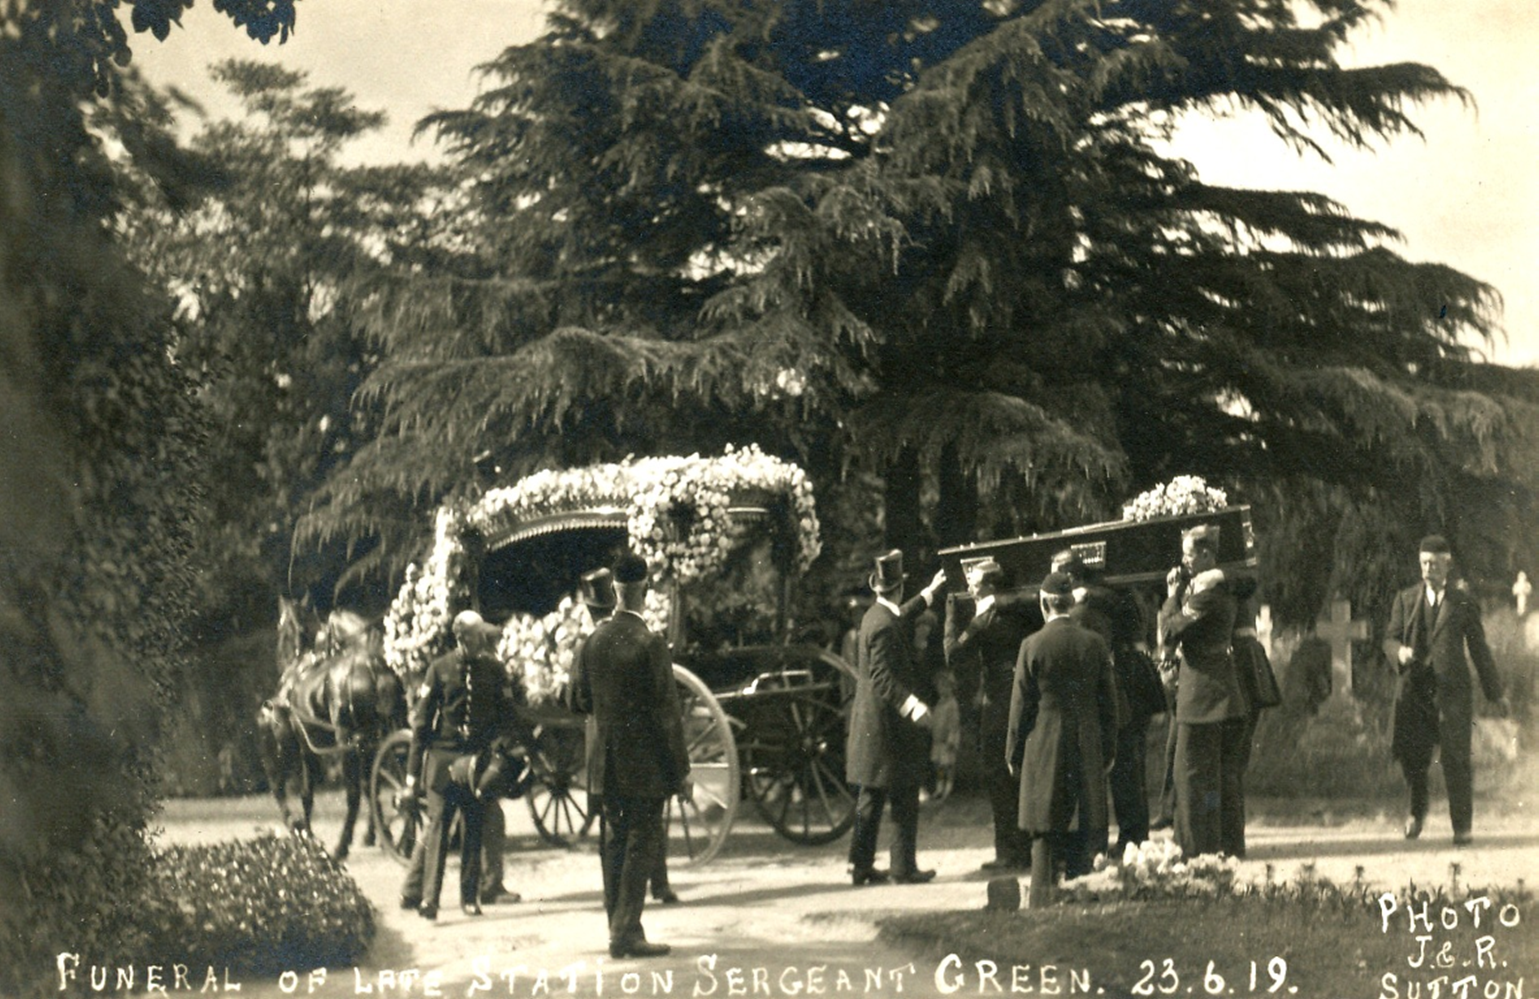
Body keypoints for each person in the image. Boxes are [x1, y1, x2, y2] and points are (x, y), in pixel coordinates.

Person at [568, 552, 690, 958]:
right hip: (644, 765)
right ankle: (626, 933)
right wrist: (682, 772)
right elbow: (666, 714)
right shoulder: (650, 643)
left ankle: (617, 928)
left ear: (616, 590)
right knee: (641, 842)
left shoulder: (593, 641)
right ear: (645, 590)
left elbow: (580, 700)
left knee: (615, 843)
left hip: (606, 763)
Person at [1383, 535, 1507, 845]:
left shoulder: (1461, 602)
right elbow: (1389, 639)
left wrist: (1496, 693)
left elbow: (1479, 650)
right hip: (1415, 691)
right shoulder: (1406, 599)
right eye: (1424, 563)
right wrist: (1398, 652)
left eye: (1435, 564)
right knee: (1413, 757)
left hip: (1452, 694)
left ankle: (1462, 827)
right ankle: (1416, 813)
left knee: (1456, 759)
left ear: (1447, 565)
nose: (1429, 569)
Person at [1005, 570, 1118, 906]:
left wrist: (1013, 753)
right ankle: (1082, 903)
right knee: (1085, 830)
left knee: (1045, 832)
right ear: (1071, 603)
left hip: (1044, 747)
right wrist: (1107, 751)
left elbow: (1020, 707)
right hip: (1086, 746)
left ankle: (1041, 901)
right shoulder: (1094, 643)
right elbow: (1108, 705)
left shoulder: (1032, 645)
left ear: (1044, 604)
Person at [403, 610, 525, 920]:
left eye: (482, 634)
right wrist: (411, 776)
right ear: (461, 638)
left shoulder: (494, 670)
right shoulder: (439, 669)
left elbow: (507, 715)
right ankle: (429, 899)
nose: (481, 639)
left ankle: (469, 898)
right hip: (443, 761)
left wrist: (505, 748)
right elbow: (421, 725)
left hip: (476, 763)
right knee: (439, 828)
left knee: (473, 828)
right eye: (475, 635)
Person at [845, 549, 948, 886]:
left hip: (873, 722)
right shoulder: (885, 626)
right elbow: (883, 677)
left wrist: (930, 592)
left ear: (878, 587)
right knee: (903, 792)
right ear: (898, 587)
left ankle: (860, 865)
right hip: (888, 724)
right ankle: (903, 867)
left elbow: (901, 615)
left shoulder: (876, 616)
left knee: (871, 796)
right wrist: (914, 706)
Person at [1054, 551, 1161, 858]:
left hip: (1112, 692)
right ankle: (1134, 836)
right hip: (1126, 686)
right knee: (1128, 767)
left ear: (1071, 577)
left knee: (1119, 767)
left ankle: (1126, 839)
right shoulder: (1111, 596)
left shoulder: (1085, 609)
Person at [1158, 525, 1247, 859]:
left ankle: (1196, 852)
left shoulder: (1208, 593)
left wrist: (1170, 597)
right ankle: (1228, 847)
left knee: (1191, 778)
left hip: (1202, 699)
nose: (1183, 560)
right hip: (1222, 697)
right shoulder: (1216, 586)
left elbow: (1169, 632)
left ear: (1207, 554)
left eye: (1189, 554)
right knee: (1222, 779)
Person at [943, 557, 1037, 871]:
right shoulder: (1023, 609)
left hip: (998, 700)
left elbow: (954, 652)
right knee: (1020, 772)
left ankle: (1008, 851)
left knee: (997, 774)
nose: (970, 586)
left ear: (991, 587)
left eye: (976, 582)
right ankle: (1026, 847)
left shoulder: (984, 619)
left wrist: (950, 617)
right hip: (1024, 696)